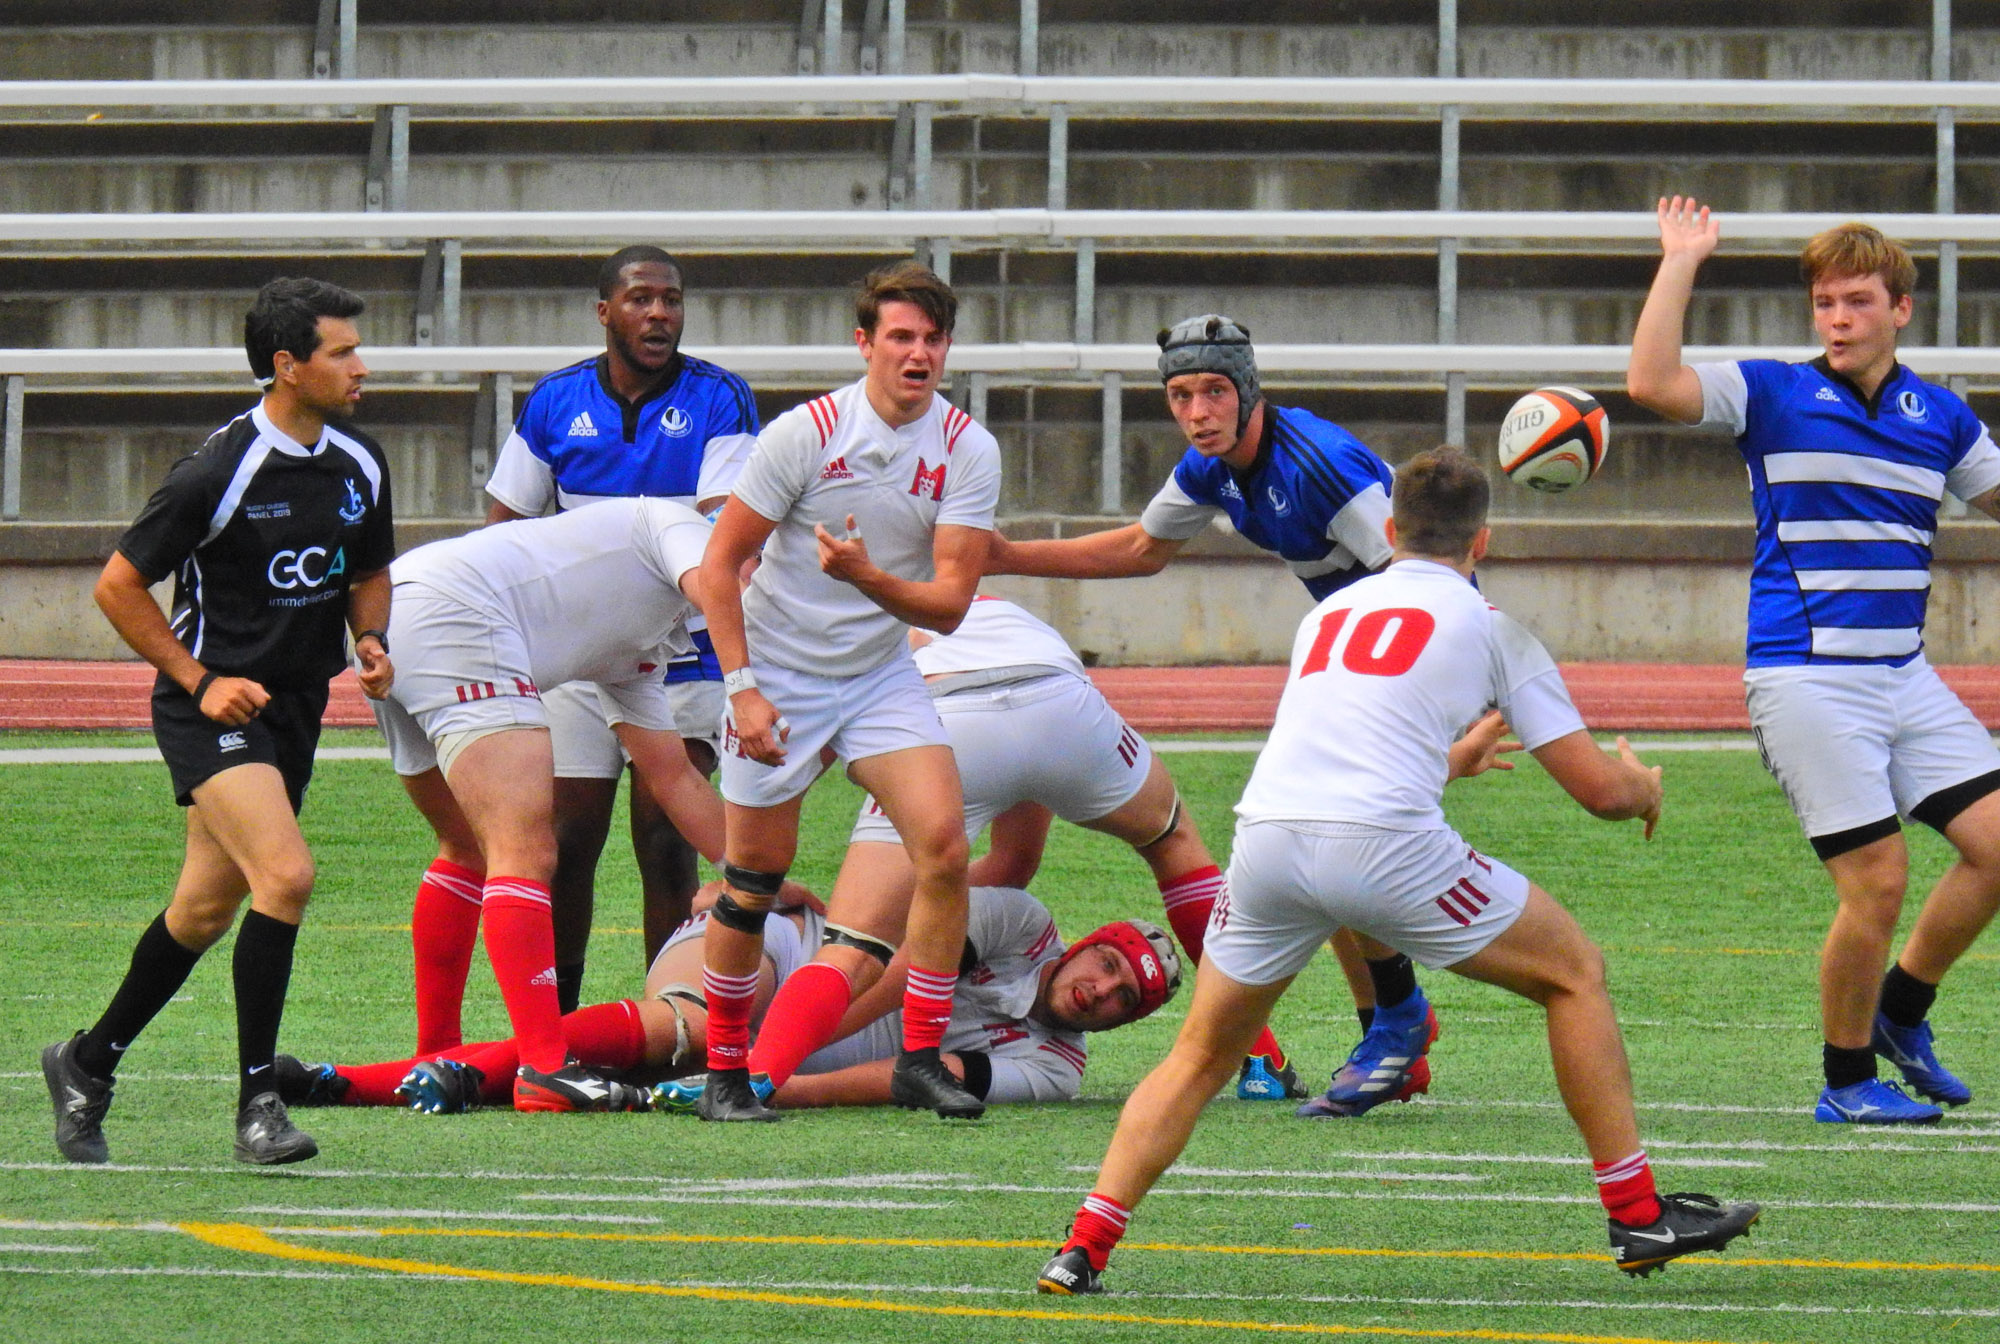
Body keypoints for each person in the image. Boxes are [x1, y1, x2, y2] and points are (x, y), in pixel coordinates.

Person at [1034, 448, 1760, 1295]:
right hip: (1383, 846)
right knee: (1573, 975)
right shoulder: (1492, 626)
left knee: (1198, 1055)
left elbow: (1343, 751)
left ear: (1389, 530)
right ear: (1481, 539)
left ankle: (1082, 1246)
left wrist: (1444, 761)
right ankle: (1637, 1215)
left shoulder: (1329, 614)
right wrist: (1643, 786)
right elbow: (1598, 792)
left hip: (1267, 839)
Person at [735, 593, 1513, 1105]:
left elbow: (809, 734)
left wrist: (783, 888)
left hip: (947, 713)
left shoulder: (855, 625)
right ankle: (1259, 1059)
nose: (1099, 990)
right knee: (1174, 839)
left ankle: (748, 1078)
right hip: (1059, 699)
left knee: (853, 946)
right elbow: (1013, 861)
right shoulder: (989, 605)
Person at [983, 313, 1438, 1111]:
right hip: (1348, 663)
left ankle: (1399, 1022)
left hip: (1398, 661)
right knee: (1305, 843)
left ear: (1249, 388)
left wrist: (1455, 700)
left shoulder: (1320, 465)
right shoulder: (1210, 467)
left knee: (1330, 844)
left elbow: (1426, 571)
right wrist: (1008, 556)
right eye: (1181, 394)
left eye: (1214, 391)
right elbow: (1142, 550)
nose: (1197, 411)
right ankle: (1393, 1030)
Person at [1628, 198, 2000, 1125]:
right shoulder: (1772, 393)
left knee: (1998, 850)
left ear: (1900, 310)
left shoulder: (1940, 418)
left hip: (1903, 675)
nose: (1837, 317)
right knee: (1876, 880)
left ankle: (1901, 1015)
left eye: (1857, 301)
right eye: (1825, 302)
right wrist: (1682, 260)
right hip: (1806, 677)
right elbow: (1650, 383)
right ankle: (1846, 1086)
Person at [40, 277, 394, 1166]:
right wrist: (199, 681)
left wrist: (373, 638)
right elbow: (117, 587)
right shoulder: (216, 470)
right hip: (213, 710)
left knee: (202, 910)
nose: (361, 366)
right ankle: (258, 1107)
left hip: (296, 709)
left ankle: (86, 1063)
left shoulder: (360, 459)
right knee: (287, 875)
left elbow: (367, 569)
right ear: (287, 367)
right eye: (341, 351)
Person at [693, 260, 1000, 1122]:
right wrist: (743, 690)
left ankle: (920, 1056)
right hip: (780, 674)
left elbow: (946, 608)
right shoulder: (805, 433)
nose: (919, 355)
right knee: (752, 883)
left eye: (933, 339)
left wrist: (866, 579)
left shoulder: (968, 449)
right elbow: (719, 568)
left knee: (941, 847)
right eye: (900, 337)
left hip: (877, 675)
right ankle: (724, 1072)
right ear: (864, 344)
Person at [452, 245, 759, 1025]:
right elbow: (505, 529)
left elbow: (728, 533)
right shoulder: (556, 401)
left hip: (680, 649)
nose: (659, 313)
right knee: (563, 842)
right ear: (604, 311)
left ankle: (673, 1022)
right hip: (578, 657)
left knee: (665, 841)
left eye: (672, 299)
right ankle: (557, 1033)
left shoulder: (720, 399)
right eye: (641, 299)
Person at [370, 496, 747, 1110]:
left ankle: (435, 1053)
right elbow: (717, 582)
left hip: (402, 608)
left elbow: (673, 776)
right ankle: (544, 1067)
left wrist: (754, 877)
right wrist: (755, 681)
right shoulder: (681, 527)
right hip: (459, 612)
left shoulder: (648, 633)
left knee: (466, 847)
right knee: (526, 847)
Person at [274, 886, 1180, 1113]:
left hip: (796, 1050)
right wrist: (758, 1061)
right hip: (798, 960)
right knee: (700, 1028)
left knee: (662, 1051)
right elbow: (895, 962)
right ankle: (362, 1074)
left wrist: (774, 1086)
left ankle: (330, 1083)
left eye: (1119, 1001)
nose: (1099, 989)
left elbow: (911, 1079)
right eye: (1107, 964)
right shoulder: (1023, 922)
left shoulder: (1056, 1071)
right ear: (1092, 940)